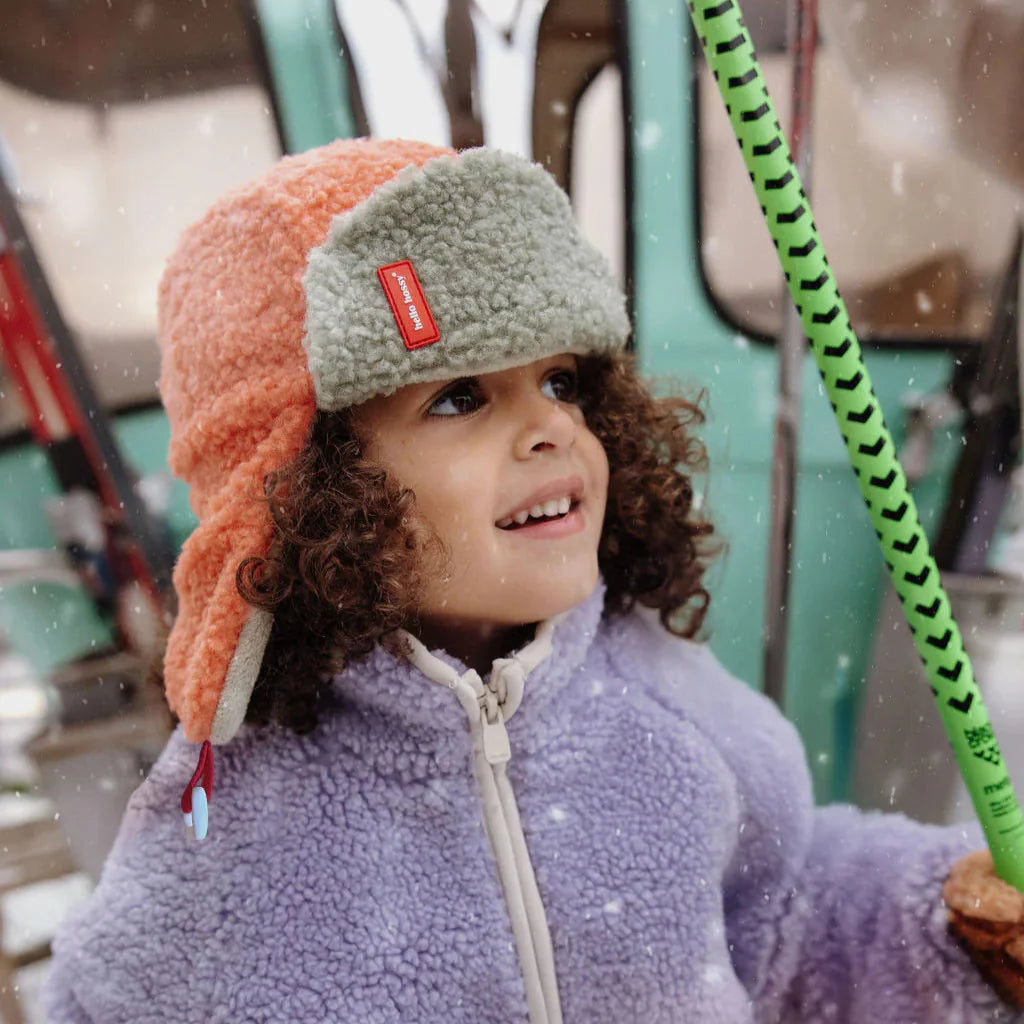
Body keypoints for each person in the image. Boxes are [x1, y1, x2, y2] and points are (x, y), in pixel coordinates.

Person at [41, 138, 1024, 1022]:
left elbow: (785, 914)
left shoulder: (665, 706)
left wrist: (935, 920)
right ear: (307, 492)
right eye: (459, 397)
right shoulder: (228, 827)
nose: (550, 425)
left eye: (560, 381)